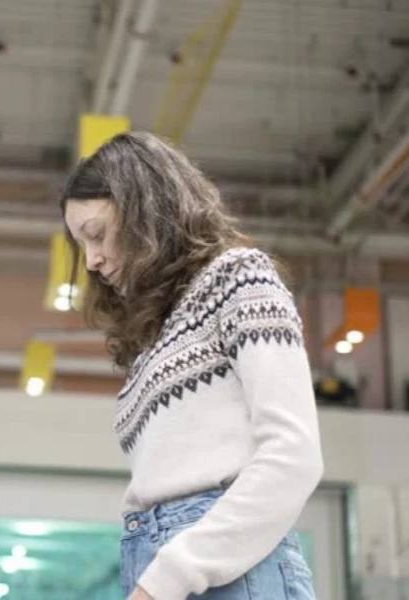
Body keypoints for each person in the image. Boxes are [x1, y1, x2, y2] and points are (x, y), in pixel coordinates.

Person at [60, 132, 323, 600]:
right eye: (81, 245)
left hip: (226, 567)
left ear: (143, 210)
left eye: (96, 235)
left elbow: (293, 457)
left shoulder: (240, 277)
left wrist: (171, 574)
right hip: (158, 555)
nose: (93, 260)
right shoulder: (154, 337)